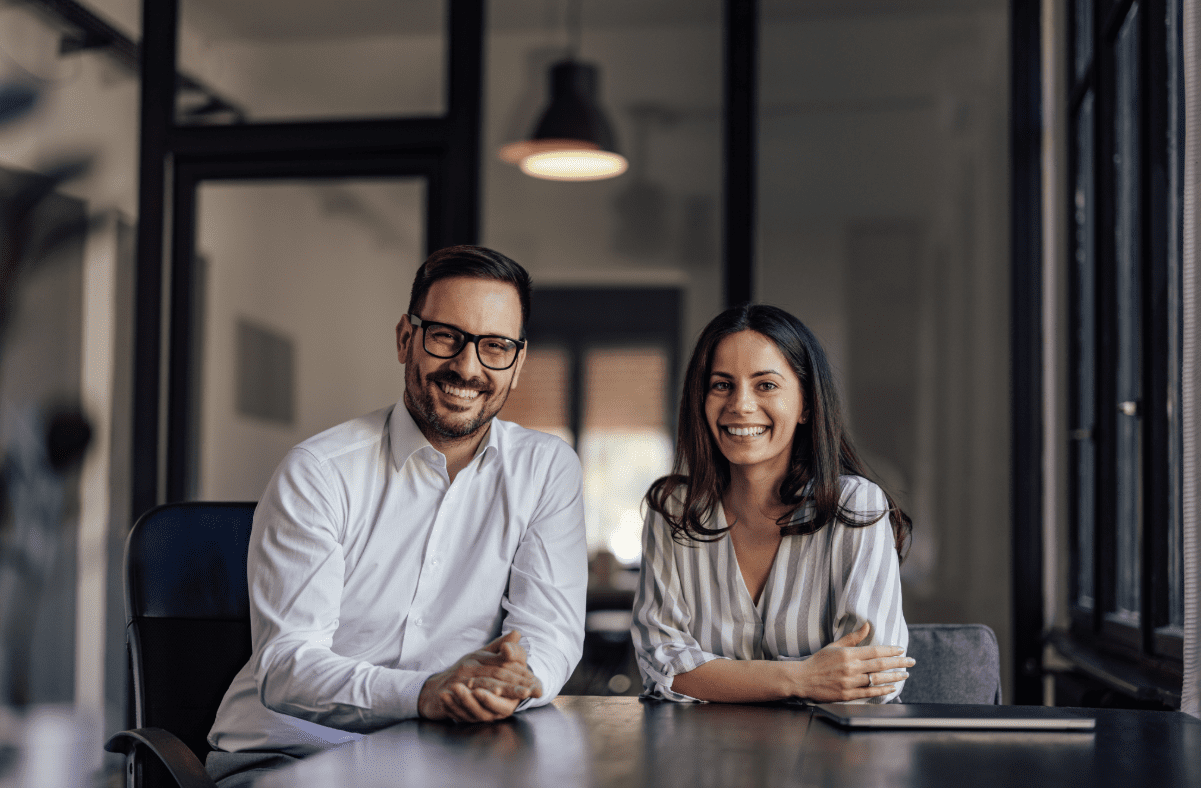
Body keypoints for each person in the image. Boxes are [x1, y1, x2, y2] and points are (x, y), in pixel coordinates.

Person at [206, 246, 587, 785]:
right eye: (446, 336)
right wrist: (424, 692)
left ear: (518, 364)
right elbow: (287, 665)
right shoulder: (318, 472)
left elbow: (549, 634)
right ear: (406, 339)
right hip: (292, 757)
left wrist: (514, 682)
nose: (467, 366)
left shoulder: (547, 470)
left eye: (495, 347)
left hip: (447, 759)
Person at [631, 304, 913, 704]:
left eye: (766, 385)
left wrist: (715, 676)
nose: (741, 405)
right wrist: (799, 678)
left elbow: (870, 680)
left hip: (835, 759)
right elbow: (663, 666)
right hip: (704, 757)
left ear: (807, 405)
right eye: (722, 385)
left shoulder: (857, 507)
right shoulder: (673, 510)